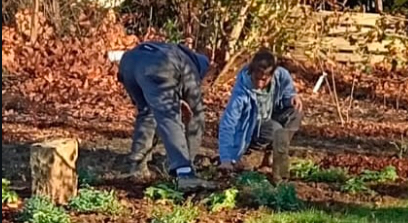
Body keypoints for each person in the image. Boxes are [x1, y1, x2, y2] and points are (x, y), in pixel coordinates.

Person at [117, 40, 216, 191]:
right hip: (159, 65)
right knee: (169, 116)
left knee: (147, 111)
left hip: (129, 63)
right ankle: (185, 172)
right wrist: (190, 157)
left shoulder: (174, 50)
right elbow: (196, 117)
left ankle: (137, 165)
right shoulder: (191, 68)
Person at [218, 49, 304, 172]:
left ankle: (271, 159)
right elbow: (228, 124)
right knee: (275, 129)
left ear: (272, 75)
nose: (259, 83)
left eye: (264, 80)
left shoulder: (281, 76)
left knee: (296, 111)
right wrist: (225, 159)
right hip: (249, 132)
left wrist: (292, 96)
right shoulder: (241, 93)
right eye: (256, 78)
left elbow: (288, 91)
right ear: (251, 71)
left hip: (269, 118)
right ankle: (245, 156)